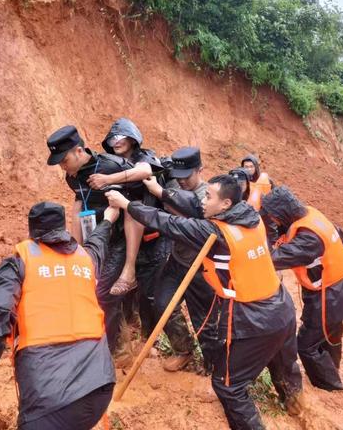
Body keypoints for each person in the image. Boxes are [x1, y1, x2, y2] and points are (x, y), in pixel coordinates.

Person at [106, 175, 303, 430]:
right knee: (283, 362)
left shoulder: (215, 233)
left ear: (225, 204)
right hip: (282, 306)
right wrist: (161, 191)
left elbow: (168, 222)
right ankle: (297, 406)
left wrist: (126, 204)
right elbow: (188, 204)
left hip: (255, 317)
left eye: (209, 197)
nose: (203, 200)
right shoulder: (252, 217)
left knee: (227, 386)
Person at [0, 202, 119, 430]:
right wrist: (108, 218)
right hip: (101, 386)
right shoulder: (85, 258)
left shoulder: (18, 263)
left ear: (32, 231)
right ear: (64, 228)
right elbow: (97, 242)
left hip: (50, 400)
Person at [46, 125, 165, 353]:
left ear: (79, 151)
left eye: (64, 160)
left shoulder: (111, 164)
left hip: (122, 237)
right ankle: (117, 341)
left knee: (102, 293)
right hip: (99, 237)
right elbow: (78, 208)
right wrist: (76, 249)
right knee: (99, 291)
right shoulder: (72, 177)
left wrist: (109, 180)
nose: (63, 166)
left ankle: (114, 349)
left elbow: (145, 175)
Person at [262, 186, 343, 391]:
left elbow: (276, 259)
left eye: (273, 216)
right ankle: (332, 371)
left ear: (282, 213)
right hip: (339, 288)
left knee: (306, 345)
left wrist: (250, 255)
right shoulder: (310, 214)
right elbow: (333, 228)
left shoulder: (308, 238)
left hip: (327, 296)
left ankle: (329, 385)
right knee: (331, 335)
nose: (272, 220)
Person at [143, 147, 216, 372]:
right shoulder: (173, 185)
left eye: (187, 177)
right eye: (178, 177)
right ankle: (183, 349)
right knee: (163, 305)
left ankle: (212, 362)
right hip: (177, 260)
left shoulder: (209, 196)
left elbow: (193, 214)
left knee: (202, 317)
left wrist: (162, 193)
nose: (181, 182)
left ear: (200, 170)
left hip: (201, 267)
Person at [88, 118, 163, 296]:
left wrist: (107, 179)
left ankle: (129, 272)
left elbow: (144, 171)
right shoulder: (110, 161)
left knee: (132, 208)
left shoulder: (144, 155)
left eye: (121, 136)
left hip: (145, 215)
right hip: (117, 220)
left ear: (132, 138)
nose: (116, 141)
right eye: (112, 138)